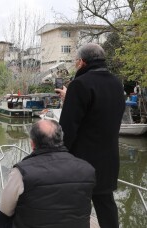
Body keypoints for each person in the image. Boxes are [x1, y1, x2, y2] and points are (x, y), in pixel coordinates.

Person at [55, 43, 125, 228]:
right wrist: (70, 98)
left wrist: (58, 156)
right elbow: (99, 111)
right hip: (109, 158)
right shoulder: (116, 83)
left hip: (82, 161)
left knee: (78, 206)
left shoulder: (80, 84)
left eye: (76, 61)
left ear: (82, 62)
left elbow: (67, 128)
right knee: (105, 203)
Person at [0, 119, 95, 228]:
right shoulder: (88, 169)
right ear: (61, 139)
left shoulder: (21, 172)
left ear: (33, 144)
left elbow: (5, 210)